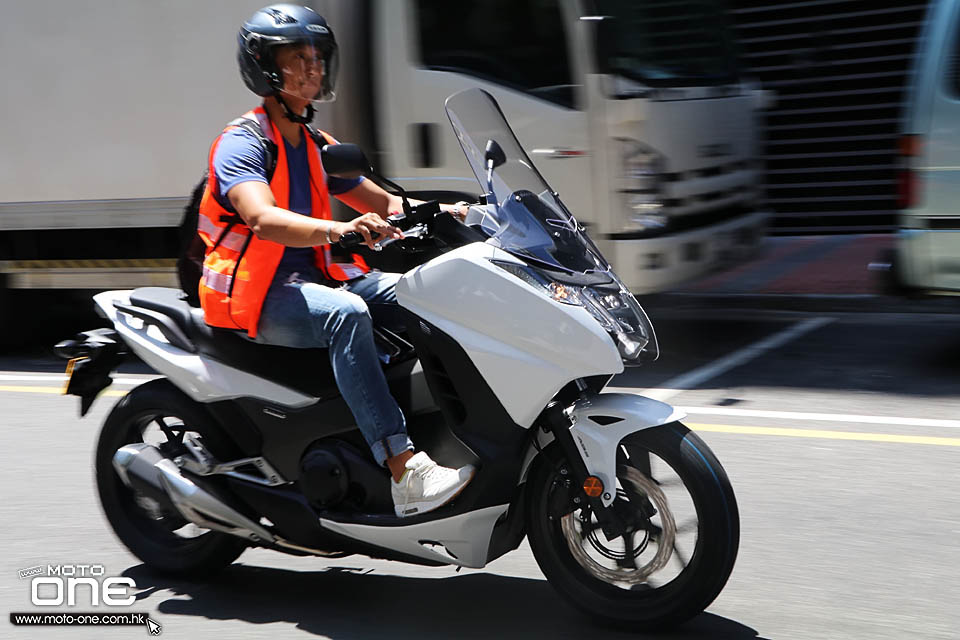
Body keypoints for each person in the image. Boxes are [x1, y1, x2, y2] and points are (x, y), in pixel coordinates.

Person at [197, 4, 474, 517]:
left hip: (315, 277)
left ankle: (464, 428)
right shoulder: (243, 143)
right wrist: (340, 229)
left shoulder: (317, 145)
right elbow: (261, 218)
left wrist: (462, 211)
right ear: (263, 66)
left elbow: (386, 203)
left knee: (427, 288)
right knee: (348, 317)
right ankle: (403, 469)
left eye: (316, 55)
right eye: (296, 56)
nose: (312, 66)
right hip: (257, 294)